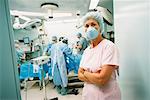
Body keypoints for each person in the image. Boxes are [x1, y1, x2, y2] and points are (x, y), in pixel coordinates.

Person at [78, 11, 121, 100]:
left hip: (107, 96)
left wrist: (85, 73)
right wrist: (94, 75)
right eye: (87, 26)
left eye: (93, 24)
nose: (90, 28)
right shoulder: (87, 51)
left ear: (100, 27)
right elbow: (79, 75)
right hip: (88, 96)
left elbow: (102, 80)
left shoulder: (108, 46)